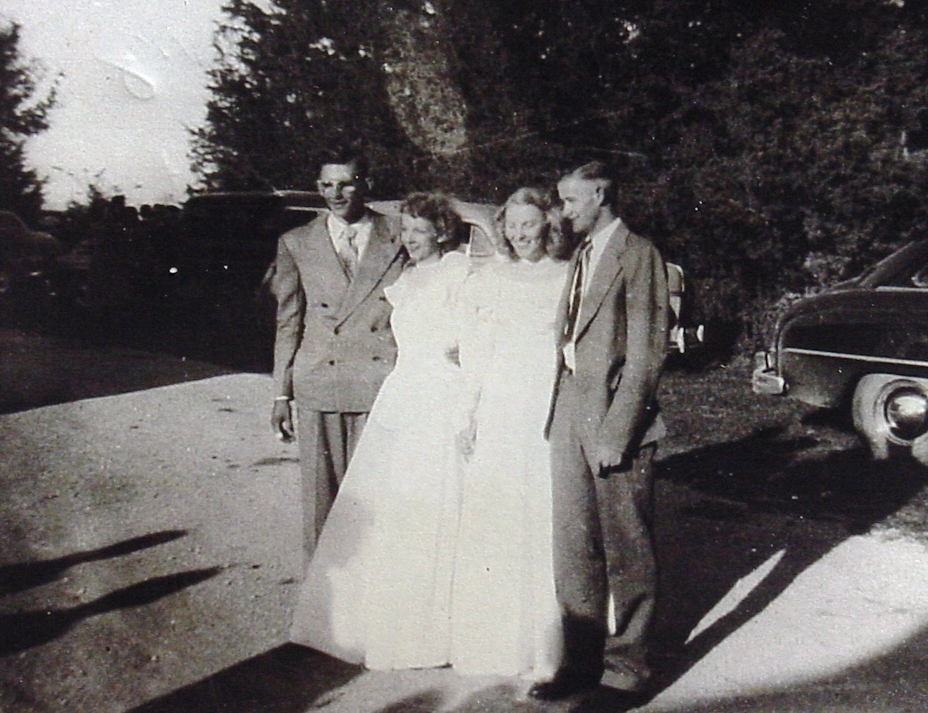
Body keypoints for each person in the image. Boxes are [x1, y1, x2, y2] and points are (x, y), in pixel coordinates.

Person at [289, 192, 471, 670]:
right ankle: (388, 620)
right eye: (404, 230)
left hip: (441, 393)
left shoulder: (459, 272)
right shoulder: (404, 278)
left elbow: (470, 333)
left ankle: (438, 628)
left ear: (442, 232)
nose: (409, 239)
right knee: (392, 507)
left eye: (418, 230)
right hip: (403, 392)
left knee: (435, 502)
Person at [529, 161, 670, 702]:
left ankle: (626, 671)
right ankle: (580, 663)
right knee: (573, 546)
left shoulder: (639, 254)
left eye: (570, 201)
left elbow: (646, 353)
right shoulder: (582, 254)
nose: (562, 213)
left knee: (626, 548)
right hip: (568, 410)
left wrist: (619, 431)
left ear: (601, 195)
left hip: (614, 418)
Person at [450, 188, 570, 682]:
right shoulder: (489, 278)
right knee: (498, 511)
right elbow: (475, 351)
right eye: (512, 225)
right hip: (501, 403)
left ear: (548, 226)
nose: (520, 235)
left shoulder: (567, 276)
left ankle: (551, 646)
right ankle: (496, 642)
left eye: (529, 224)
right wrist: (468, 413)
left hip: (546, 401)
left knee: (545, 510)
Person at [270, 151, 406, 566]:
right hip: (320, 384)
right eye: (327, 185)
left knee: (377, 499)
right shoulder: (296, 242)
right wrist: (281, 394)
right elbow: (288, 322)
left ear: (365, 184)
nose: (336, 193)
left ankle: (374, 593)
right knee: (321, 503)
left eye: (346, 183)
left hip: (379, 382)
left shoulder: (400, 233)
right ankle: (321, 595)